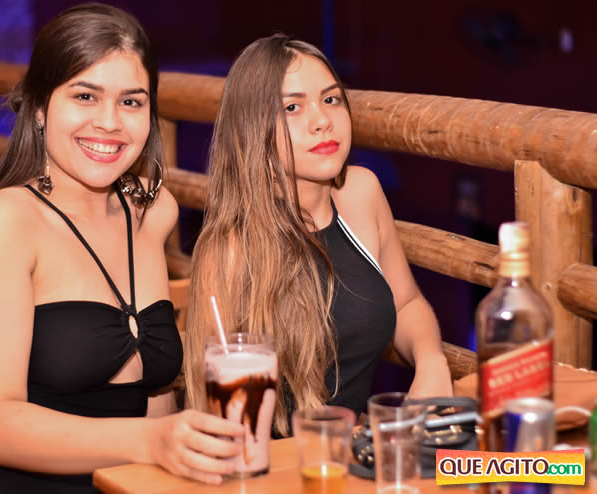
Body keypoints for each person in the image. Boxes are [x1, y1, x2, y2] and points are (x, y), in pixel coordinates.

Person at [0, 4, 243, 493]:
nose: (109, 122)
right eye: (85, 96)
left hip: (116, 474)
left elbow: (152, 394)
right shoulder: (3, 222)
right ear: (40, 107)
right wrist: (153, 442)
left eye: (131, 102)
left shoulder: (153, 211)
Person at [184, 35, 453, 437]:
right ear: (252, 128)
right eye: (292, 107)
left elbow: (407, 303)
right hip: (270, 461)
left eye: (331, 99)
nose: (322, 120)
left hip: (352, 454)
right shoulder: (231, 246)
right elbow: (211, 409)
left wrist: (431, 361)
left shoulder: (361, 192)